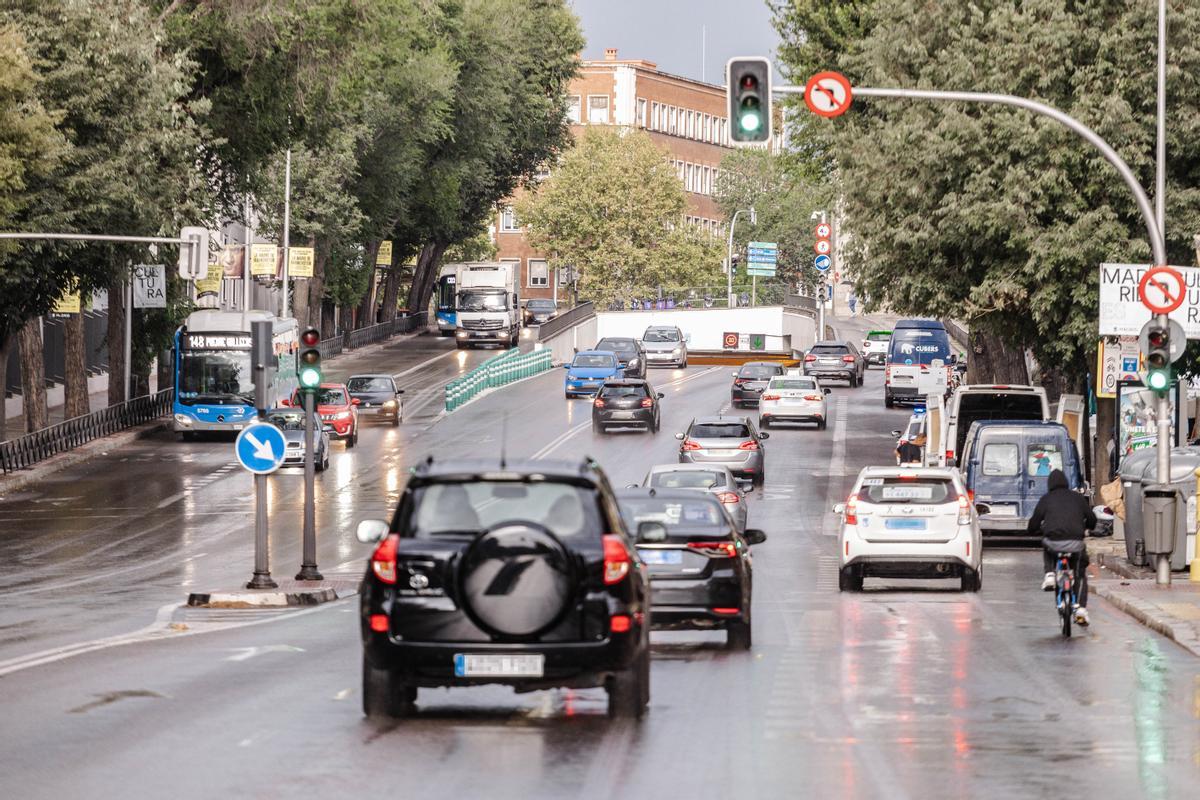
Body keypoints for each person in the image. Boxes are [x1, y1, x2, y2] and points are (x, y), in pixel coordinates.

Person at [1027, 468, 1096, 626]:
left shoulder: (1047, 499)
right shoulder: (1078, 498)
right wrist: (1086, 526)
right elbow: (1092, 519)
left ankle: (1050, 573)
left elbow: (1034, 523)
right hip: (1076, 544)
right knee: (1079, 574)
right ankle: (1079, 608)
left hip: (1054, 543)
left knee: (1046, 544)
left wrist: (1037, 530)